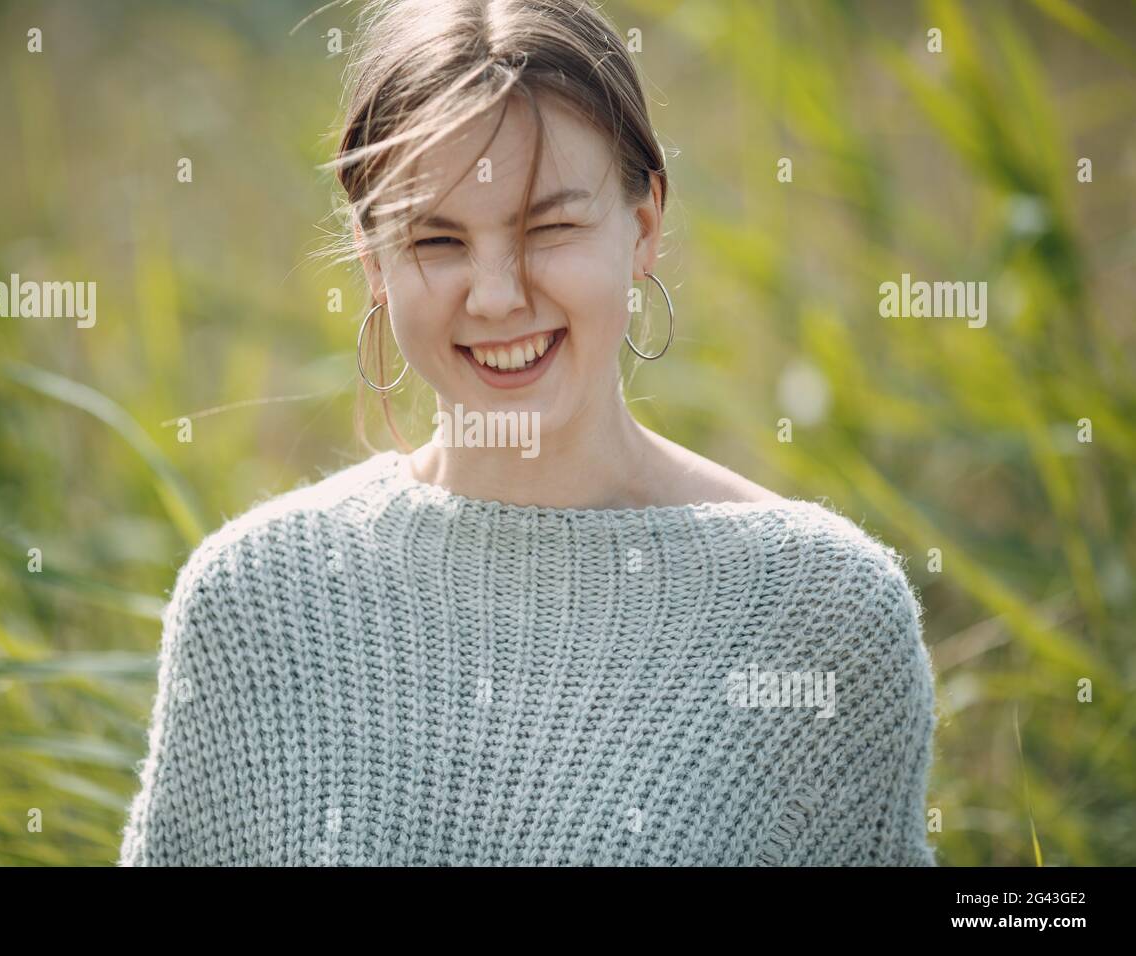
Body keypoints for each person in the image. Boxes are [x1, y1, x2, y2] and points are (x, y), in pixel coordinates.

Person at [119, 0, 939, 866]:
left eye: (548, 227)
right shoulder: (252, 602)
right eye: (437, 239)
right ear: (372, 261)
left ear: (645, 227)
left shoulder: (820, 611)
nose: (497, 295)